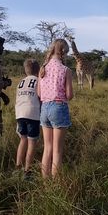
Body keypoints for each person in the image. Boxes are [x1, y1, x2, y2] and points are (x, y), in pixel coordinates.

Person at [37, 39, 73, 178]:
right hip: (59, 107)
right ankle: (56, 186)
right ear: (63, 51)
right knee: (57, 151)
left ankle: (46, 184)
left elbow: (39, 94)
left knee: (48, 149)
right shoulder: (65, 70)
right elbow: (69, 95)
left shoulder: (43, 68)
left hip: (44, 108)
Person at [15, 59, 41, 179]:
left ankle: (17, 167)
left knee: (23, 140)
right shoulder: (38, 81)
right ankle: (27, 171)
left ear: (26, 70)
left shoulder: (21, 82)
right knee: (32, 142)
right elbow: (41, 97)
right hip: (33, 114)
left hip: (19, 114)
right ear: (38, 70)